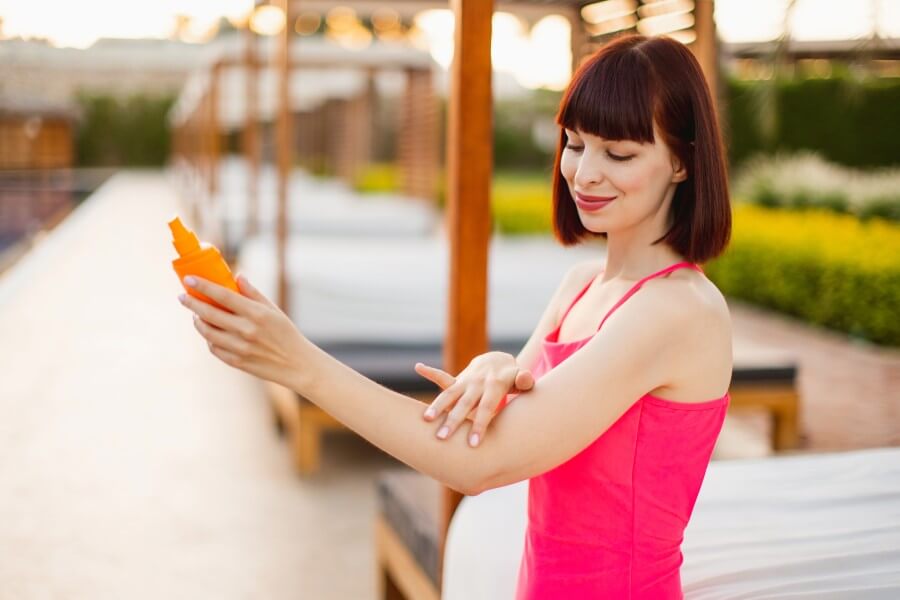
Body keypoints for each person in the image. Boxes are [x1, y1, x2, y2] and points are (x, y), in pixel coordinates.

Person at [177, 33, 733, 599]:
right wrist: (500, 365)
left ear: (683, 162)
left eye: (619, 154)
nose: (584, 173)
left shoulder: (677, 310)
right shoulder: (580, 286)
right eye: (573, 143)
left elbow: (478, 465)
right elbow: (503, 425)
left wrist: (300, 364)